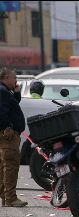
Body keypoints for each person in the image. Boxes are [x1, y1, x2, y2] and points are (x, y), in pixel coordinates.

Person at [0, 67, 28, 208]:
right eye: (14, 77)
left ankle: (5, 196)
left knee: (4, 166)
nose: (16, 80)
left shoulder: (5, 91)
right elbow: (2, 111)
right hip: (8, 136)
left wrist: (16, 93)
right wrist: (7, 127)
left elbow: (11, 106)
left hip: (7, 133)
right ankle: (10, 198)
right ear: (6, 78)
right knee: (11, 165)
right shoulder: (2, 91)